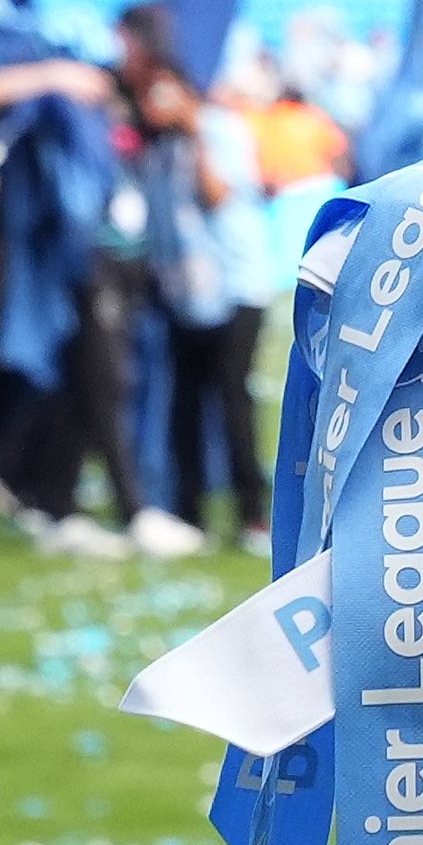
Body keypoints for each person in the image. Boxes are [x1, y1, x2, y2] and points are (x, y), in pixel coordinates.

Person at [140, 55, 275, 553]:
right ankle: (188, 510)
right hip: (185, 291)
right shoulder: (158, 148)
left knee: (232, 396)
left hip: (236, 282)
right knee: (186, 401)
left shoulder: (220, 129)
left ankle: (252, 515)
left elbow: (217, 194)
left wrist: (197, 130)